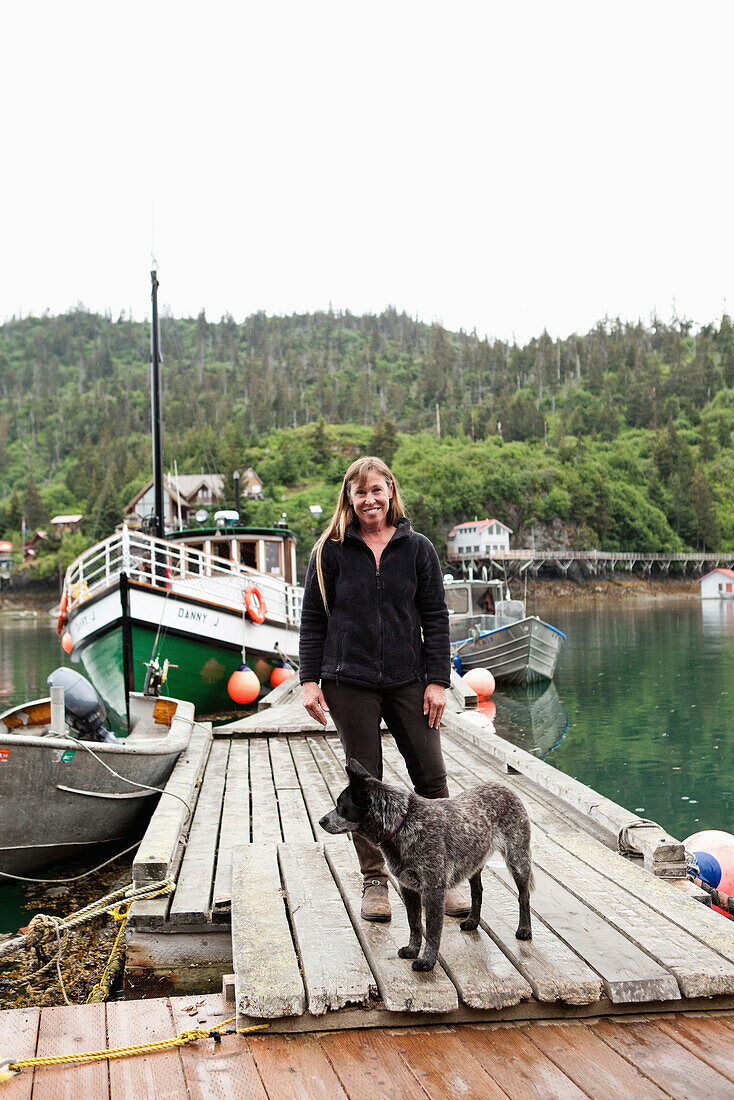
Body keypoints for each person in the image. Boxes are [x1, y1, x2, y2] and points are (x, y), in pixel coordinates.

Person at [299, 455, 469, 922]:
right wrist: (309, 681)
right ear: (349, 499)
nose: (369, 499)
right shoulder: (328, 552)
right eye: (360, 492)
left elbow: (435, 618)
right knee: (364, 781)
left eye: (377, 490)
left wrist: (437, 680)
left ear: (390, 491)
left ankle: (444, 876)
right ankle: (375, 881)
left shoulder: (418, 550)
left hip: (409, 680)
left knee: (431, 776)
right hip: (347, 680)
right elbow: (314, 620)